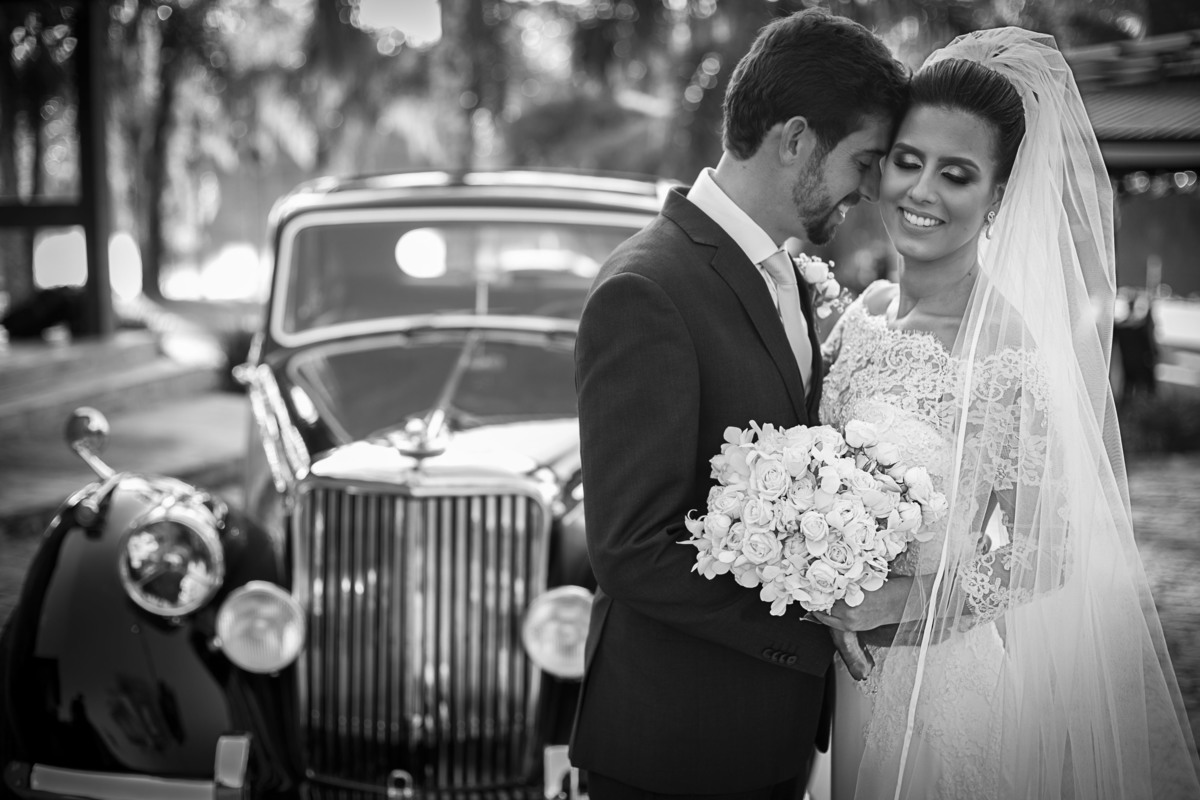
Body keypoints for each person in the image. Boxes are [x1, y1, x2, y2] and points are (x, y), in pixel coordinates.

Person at [815, 27, 1200, 799]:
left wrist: (898, 605)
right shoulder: (865, 312)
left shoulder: (1005, 350)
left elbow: (1042, 547)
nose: (921, 192)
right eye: (908, 160)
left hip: (939, 698)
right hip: (838, 688)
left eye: (956, 174)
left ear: (997, 198)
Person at [570, 8, 908, 799]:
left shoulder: (784, 274)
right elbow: (629, 548)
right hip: (674, 747)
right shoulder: (646, 288)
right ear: (795, 140)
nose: (867, 189)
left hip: (768, 741)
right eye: (863, 160)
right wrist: (815, 625)